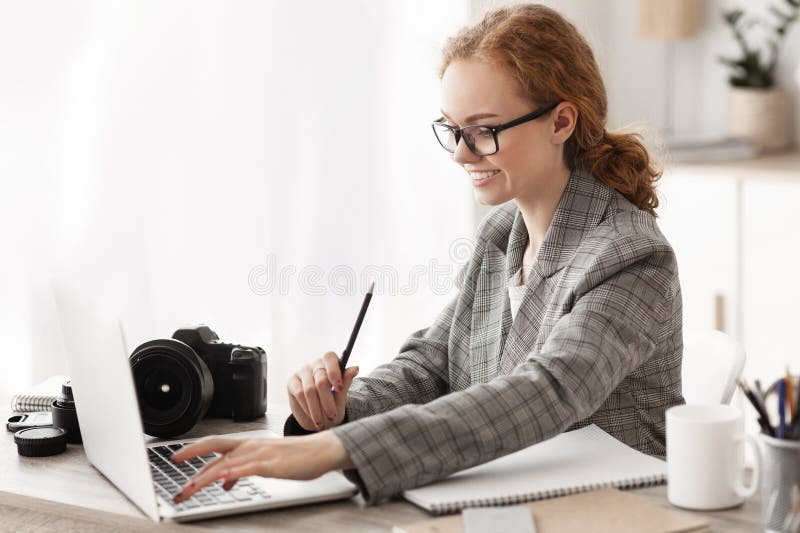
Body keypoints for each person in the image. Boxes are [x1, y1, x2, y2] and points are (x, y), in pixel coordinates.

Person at [171, 3, 684, 505]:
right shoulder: (502, 234)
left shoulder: (629, 256)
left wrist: (340, 449)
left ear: (561, 122)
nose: (461, 153)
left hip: (617, 511)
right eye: (453, 130)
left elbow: (547, 393)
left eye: (483, 131)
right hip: (503, 499)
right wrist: (342, 410)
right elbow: (433, 365)